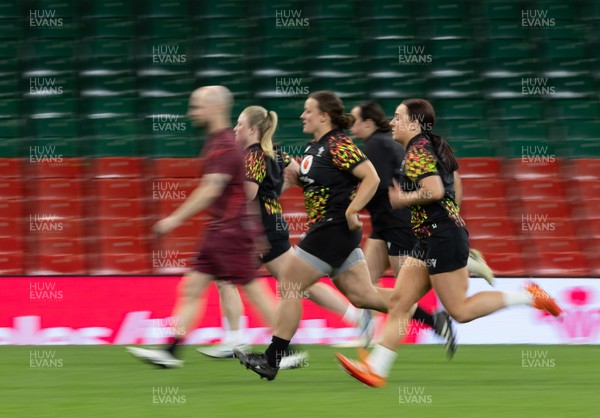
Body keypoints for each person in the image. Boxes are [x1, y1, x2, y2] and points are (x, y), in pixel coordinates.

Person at [336, 98, 562, 388]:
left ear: (414, 124)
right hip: (430, 236)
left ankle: (529, 297)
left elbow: (435, 189)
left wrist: (405, 199)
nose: (391, 123)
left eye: (397, 117)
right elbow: (454, 183)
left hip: (441, 237)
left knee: (460, 311)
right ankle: (376, 369)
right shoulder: (426, 146)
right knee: (399, 301)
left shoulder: (418, 150)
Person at [235, 90, 409, 381]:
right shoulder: (314, 147)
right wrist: (294, 179)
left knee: (290, 283)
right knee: (362, 296)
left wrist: (353, 210)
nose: (302, 115)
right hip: (331, 231)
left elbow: (372, 177)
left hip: (333, 228)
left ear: (324, 116)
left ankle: (272, 359)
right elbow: (318, 182)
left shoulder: (339, 143)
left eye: (308, 110)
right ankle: (420, 310)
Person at [198, 105, 373, 361]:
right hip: (272, 225)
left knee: (243, 280)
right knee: (295, 285)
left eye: (239, 124)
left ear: (252, 128)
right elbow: (302, 174)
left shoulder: (253, 155)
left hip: (261, 229)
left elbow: (247, 194)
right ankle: (355, 317)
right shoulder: (274, 150)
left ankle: (253, 343)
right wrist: (280, 189)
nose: (235, 129)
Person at [126, 85, 268, 368]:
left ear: (215, 108)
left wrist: (172, 220)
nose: (192, 112)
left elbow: (210, 190)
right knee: (192, 289)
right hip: (221, 231)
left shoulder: (224, 146)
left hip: (230, 231)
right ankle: (170, 352)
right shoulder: (217, 143)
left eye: (197, 107)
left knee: (253, 289)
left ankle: (287, 348)